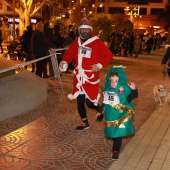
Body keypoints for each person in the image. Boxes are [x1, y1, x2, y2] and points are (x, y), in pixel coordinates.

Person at [59, 9, 113, 130]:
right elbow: (69, 54)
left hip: (91, 77)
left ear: (90, 30)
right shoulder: (76, 42)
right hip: (79, 77)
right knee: (79, 101)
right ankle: (85, 122)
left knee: (90, 103)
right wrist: (64, 62)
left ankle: (99, 107)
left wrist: (99, 65)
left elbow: (109, 55)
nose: (84, 31)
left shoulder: (97, 42)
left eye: (86, 29)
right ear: (79, 30)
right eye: (82, 29)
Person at [96, 66, 138, 160]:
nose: (113, 83)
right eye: (112, 81)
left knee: (117, 135)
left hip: (120, 118)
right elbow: (104, 102)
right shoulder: (108, 91)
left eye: (116, 81)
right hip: (111, 118)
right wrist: (100, 111)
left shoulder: (123, 92)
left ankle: (116, 150)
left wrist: (134, 89)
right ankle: (116, 148)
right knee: (113, 134)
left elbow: (133, 96)